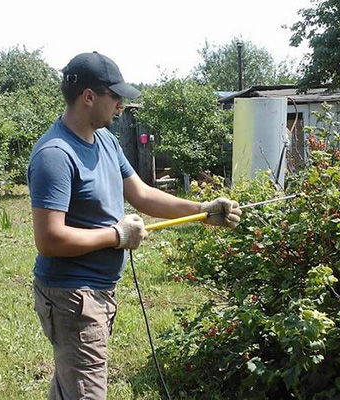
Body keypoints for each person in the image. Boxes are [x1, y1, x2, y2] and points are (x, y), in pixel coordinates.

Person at [27, 51, 242, 400]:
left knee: (71, 388)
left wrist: (203, 210)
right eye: (117, 97)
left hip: (96, 293)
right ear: (89, 97)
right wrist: (117, 235)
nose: (121, 107)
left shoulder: (106, 142)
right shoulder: (55, 154)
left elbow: (143, 196)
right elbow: (49, 239)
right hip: (73, 297)